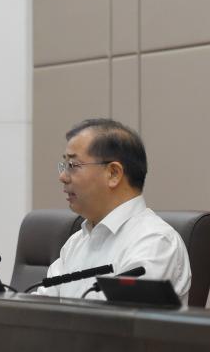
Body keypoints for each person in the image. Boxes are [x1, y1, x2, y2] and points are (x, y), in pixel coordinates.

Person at [34, 118, 191, 301]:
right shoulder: (76, 243)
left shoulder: (155, 243)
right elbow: (39, 307)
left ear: (113, 173)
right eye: (64, 165)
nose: (62, 177)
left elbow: (122, 316)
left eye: (73, 165)